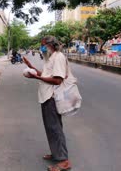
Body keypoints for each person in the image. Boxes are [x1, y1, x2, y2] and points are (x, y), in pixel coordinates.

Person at [23, 36, 72, 171]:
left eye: (43, 45)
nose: (42, 47)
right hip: (46, 97)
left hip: (52, 97)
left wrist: (36, 77)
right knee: (51, 128)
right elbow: (46, 75)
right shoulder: (51, 58)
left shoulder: (58, 57)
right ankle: (56, 153)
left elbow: (57, 80)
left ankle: (64, 161)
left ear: (51, 44)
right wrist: (31, 68)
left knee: (55, 128)